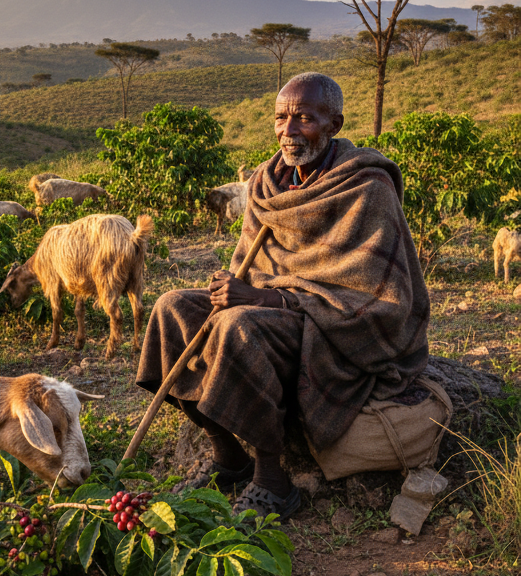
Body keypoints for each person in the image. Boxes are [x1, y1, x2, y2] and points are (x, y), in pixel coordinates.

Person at [134, 72, 430, 520]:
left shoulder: (367, 186)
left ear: (334, 123)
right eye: (281, 118)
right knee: (171, 308)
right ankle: (228, 455)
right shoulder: (267, 183)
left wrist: (264, 300)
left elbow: (375, 298)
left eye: (304, 118)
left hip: (331, 326)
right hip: (273, 303)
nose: (288, 131)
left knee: (240, 326)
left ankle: (272, 478)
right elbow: (249, 266)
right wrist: (233, 287)